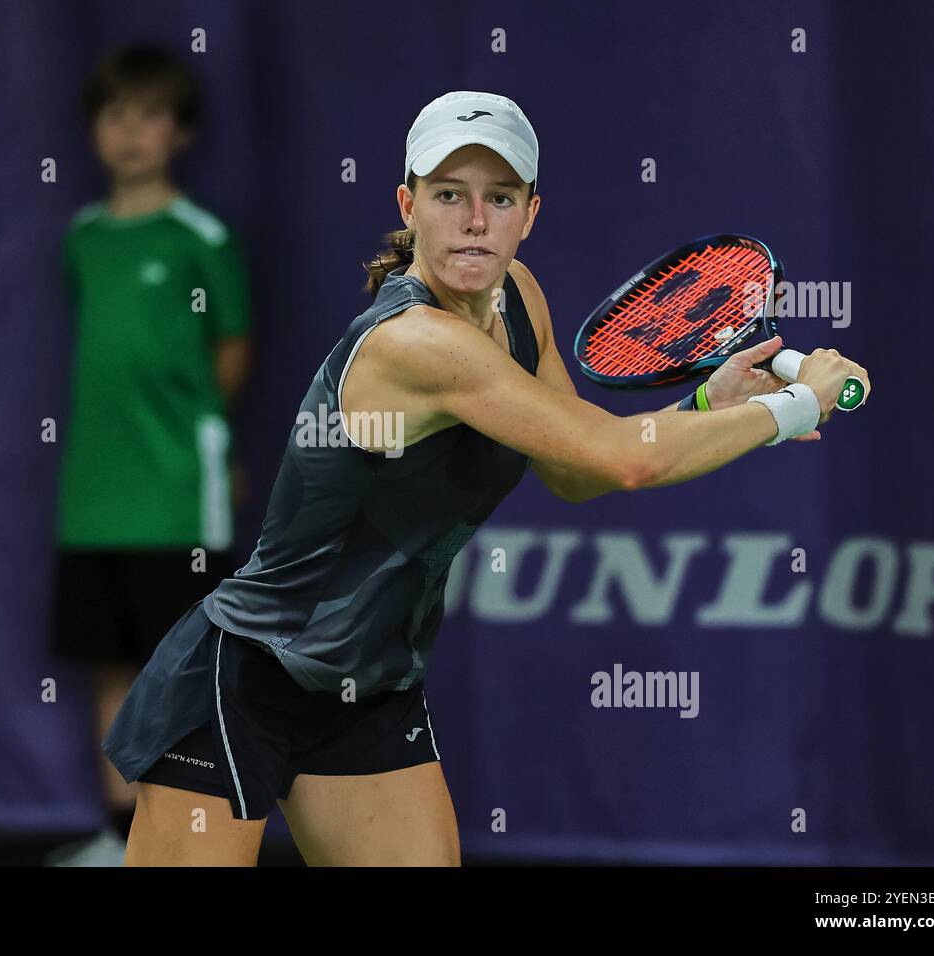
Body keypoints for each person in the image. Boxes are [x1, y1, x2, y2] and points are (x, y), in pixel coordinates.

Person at [101, 90, 869, 866]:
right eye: (448, 196)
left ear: (529, 213)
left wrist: (711, 402)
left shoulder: (518, 296)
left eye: (499, 198)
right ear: (410, 206)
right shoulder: (417, 343)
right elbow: (628, 456)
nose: (475, 221)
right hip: (246, 681)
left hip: (368, 689)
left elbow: (575, 471)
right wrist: (802, 404)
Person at [48, 45, 252, 865]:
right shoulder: (82, 237)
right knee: (110, 670)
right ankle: (118, 839)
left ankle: (193, 840)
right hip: (93, 499)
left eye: (148, 116)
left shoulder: (202, 236)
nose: (129, 133)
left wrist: (207, 436)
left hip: (177, 494)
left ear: (181, 133)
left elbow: (232, 350)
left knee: (188, 671)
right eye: (114, 115)